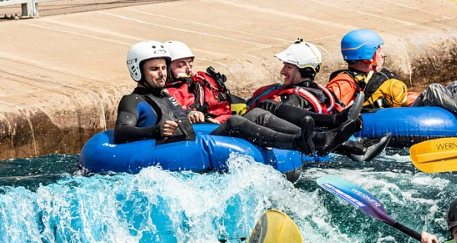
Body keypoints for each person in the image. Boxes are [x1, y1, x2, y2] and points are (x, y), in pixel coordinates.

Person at [115, 41, 319, 154]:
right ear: (137, 70)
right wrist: (156, 130)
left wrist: (191, 113)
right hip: (169, 149)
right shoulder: (133, 100)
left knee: (257, 113)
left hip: (189, 140)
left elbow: (172, 115)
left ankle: (314, 139)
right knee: (235, 122)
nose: (161, 73)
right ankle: (296, 143)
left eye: (162, 68)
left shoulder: (165, 95)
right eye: (153, 69)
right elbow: (121, 132)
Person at [247, 39, 374, 158]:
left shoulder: (295, 98)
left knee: (266, 105)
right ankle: (344, 138)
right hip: (316, 135)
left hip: (301, 142)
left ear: (305, 70)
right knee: (265, 105)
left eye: (288, 67)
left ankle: (336, 129)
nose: (282, 71)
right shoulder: (324, 93)